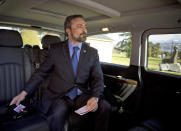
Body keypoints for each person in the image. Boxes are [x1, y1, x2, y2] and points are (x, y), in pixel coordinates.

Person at [10, 14, 110, 131]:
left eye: (85, 26)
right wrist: (23, 93)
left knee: (105, 106)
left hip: (81, 95)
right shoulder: (55, 49)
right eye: (79, 26)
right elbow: (40, 73)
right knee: (58, 111)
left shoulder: (92, 53)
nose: (85, 30)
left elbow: (97, 77)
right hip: (59, 96)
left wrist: (95, 97)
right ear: (68, 31)